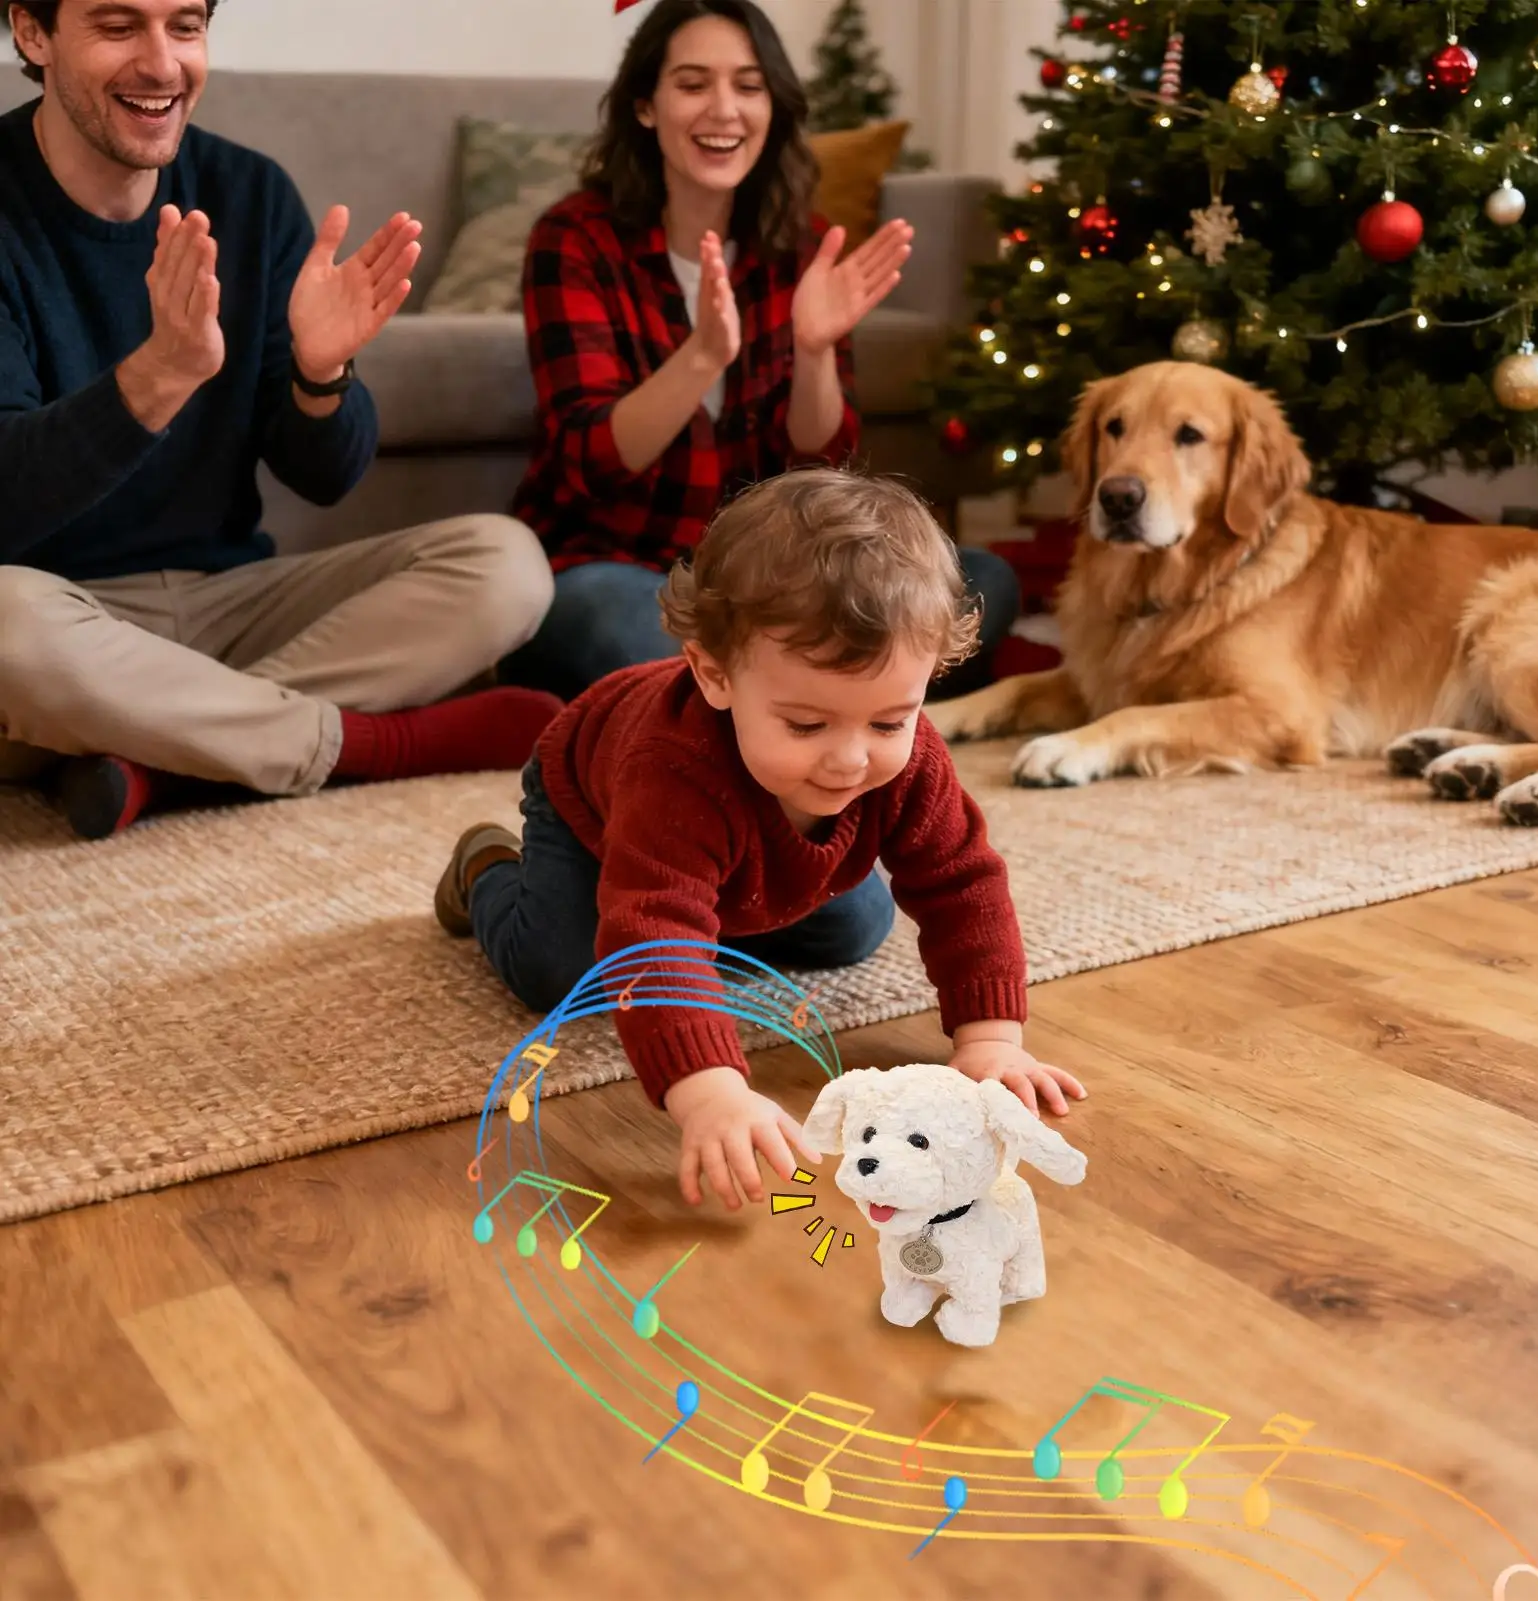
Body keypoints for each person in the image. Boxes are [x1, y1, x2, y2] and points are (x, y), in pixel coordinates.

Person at [435, 470, 1084, 1213]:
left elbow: (961, 881)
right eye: (806, 724)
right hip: (590, 803)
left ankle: (731, 897)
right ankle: (485, 864)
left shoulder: (909, 759)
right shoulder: (670, 767)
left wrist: (991, 1040)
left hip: (743, 850)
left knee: (854, 926)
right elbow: (654, 932)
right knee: (561, 970)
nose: (850, 757)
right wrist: (710, 1090)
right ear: (713, 674)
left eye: (886, 722)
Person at [0, 0, 559, 840]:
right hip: (56, 622)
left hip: (229, 603)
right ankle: (366, 744)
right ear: (32, 33)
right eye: (119, 27)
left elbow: (324, 475)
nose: (162, 64)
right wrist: (156, 378)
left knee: (505, 563)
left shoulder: (249, 193)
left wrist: (320, 373)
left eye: (185, 26)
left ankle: (159, 751)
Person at [496, 0, 1019, 701]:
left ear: (772, 108)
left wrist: (814, 350)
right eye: (691, 84)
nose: (723, 110)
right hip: (616, 566)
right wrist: (702, 358)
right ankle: (821, 695)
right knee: (618, 624)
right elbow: (591, 460)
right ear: (646, 106)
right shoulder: (574, 238)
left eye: (748, 86)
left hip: (770, 581)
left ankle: (775, 697)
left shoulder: (800, 242)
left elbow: (820, 468)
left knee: (980, 583)